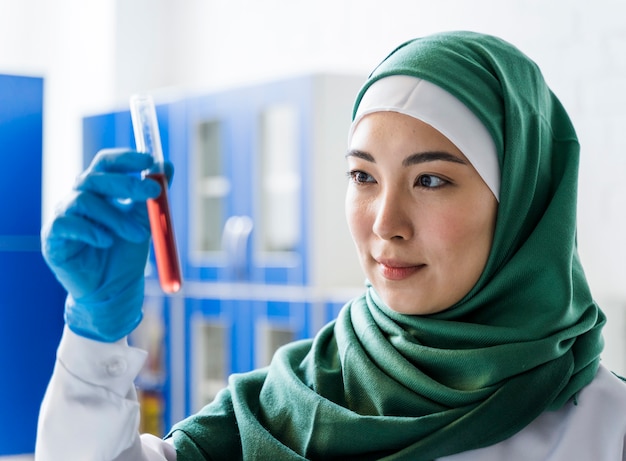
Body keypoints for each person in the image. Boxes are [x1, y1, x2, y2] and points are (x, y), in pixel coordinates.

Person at [35, 30, 626, 461]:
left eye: (432, 180)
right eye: (363, 177)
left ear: (525, 206)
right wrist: (94, 332)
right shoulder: (294, 397)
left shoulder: (605, 427)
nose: (385, 223)